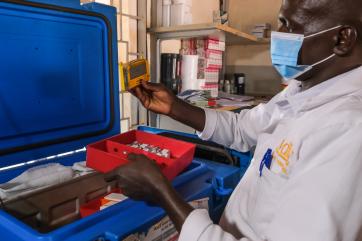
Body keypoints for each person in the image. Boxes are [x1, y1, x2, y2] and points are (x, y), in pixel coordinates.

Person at [117, 0, 362, 240]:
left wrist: (162, 192)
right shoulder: (305, 87)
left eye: (290, 25)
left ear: (342, 39)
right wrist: (174, 107)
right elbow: (243, 129)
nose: (278, 35)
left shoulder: (348, 131)